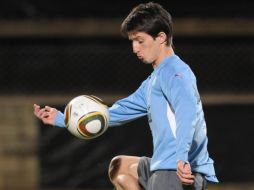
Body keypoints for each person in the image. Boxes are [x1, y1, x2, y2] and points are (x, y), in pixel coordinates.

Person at [34, 2, 218, 190]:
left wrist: (181, 158)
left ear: (161, 37)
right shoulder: (152, 82)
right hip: (164, 166)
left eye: (140, 40)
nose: (134, 48)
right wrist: (61, 118)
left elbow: (187, 114)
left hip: (177, 170)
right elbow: (112, 114)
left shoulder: (175, 73)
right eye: (132, 41)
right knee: (121, 167)